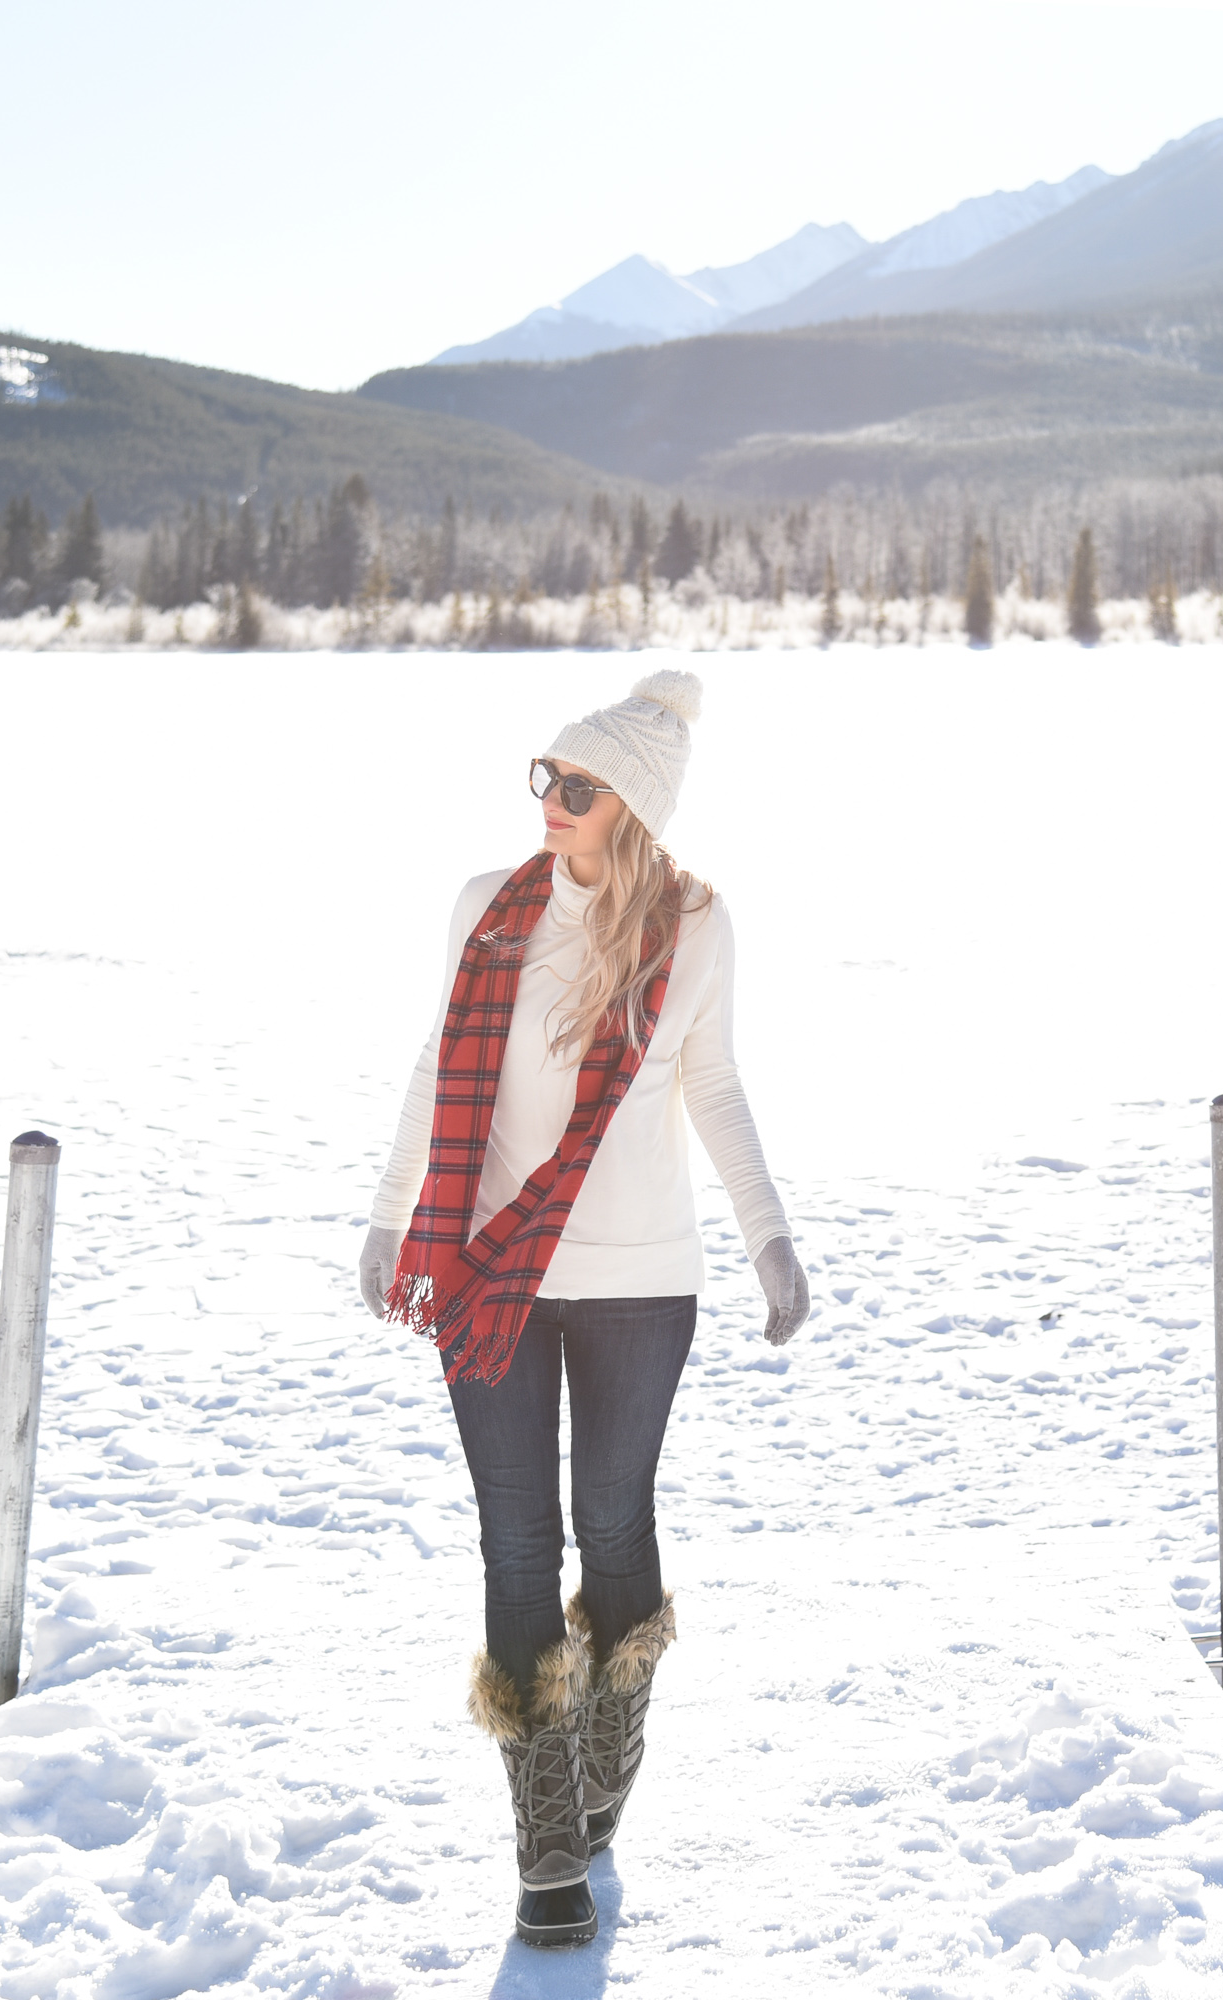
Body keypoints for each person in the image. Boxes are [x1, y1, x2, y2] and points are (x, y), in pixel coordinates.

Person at [358, 669, 809, 1949]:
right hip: (493, 1268)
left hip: (640, 1279)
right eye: (544, 778)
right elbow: (436, 1066)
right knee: (516, 1543)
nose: (549, 803)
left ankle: (612, 1724)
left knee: (611, 1521)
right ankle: (545, 1842)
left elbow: (713, 1090)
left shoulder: (697, 931)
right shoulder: (483, 912)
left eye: (578, 787)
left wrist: (767, 1235)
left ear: (636, 808)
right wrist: (392, 1214)